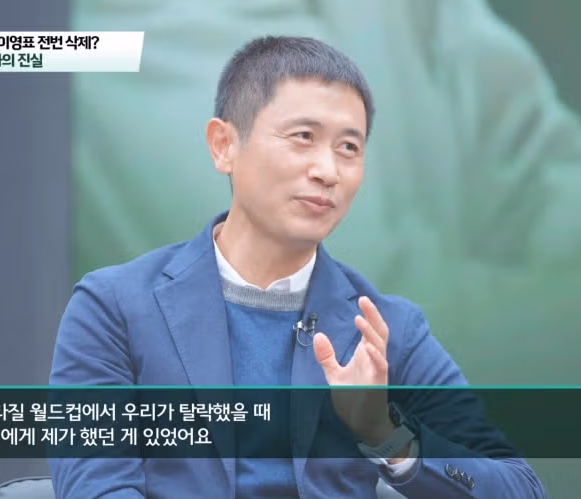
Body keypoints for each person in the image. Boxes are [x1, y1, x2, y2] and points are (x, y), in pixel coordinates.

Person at [49, 35, 548, 498]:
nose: (327, 171)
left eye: (349, 148)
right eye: (303, 136)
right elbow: (97, 485)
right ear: (224, 145)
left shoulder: (385, 329)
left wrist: (385, 434)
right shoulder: (116, 307)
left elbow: (518, 487)